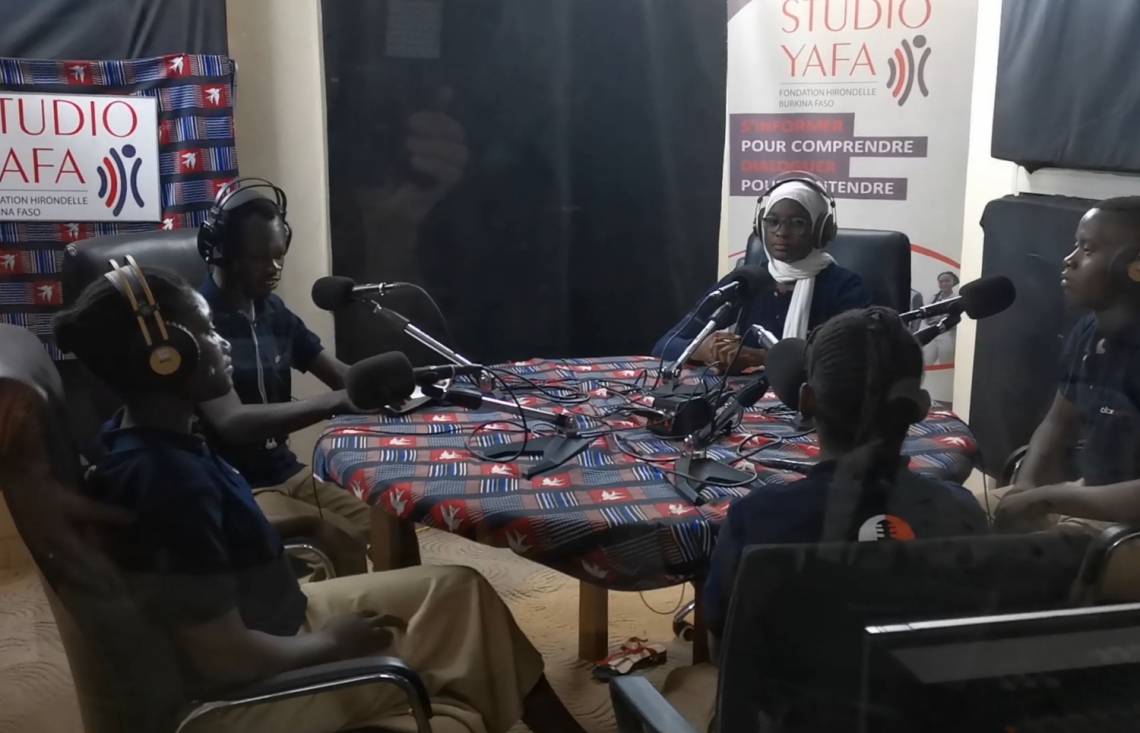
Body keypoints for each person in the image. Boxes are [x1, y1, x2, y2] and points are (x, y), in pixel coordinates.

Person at [52, 265, 587, 733]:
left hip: (277, 622)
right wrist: (332, 645)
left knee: (459, 591)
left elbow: (200, 548)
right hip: (247, 695)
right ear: (166, 358)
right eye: (208, 332)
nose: (221, 344)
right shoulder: (167, 482)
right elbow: (223, 658)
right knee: (470, 648)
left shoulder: (142, 441)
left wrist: (304, 527)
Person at [662, 308, 988, 731]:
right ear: (921, 408)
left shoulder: (756, 521)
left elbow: (725, 649)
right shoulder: (962, 513)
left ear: (806, 400)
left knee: (683, 679)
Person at [196, 180, 372, 574]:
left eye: (279, 255)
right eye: (260, 257)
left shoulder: (273, 311)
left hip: (285, 470)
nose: (274, 268)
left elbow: (340, 375)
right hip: (234, 483)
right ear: (221, 251)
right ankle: (336, 627)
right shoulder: (196, 322)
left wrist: (391, 379)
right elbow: (233, 422)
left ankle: (399, 624)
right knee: (332, 544)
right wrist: (333, 404)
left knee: (383, 526)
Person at [996, 197, 1140, 531]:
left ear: (1133, 267)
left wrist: (1048, 500)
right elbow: (1057, 422)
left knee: (1018, 558)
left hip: (1129, 524)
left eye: (1087, 250)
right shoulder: (1090, 330)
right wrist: (1027, 487)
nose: (1068, 260)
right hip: (1089, 496)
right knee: (961, 519)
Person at [652, 175, 870, 373]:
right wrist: (705, 349)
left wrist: (761, 357)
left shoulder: (844, 287)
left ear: (821, 230)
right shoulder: (745, 281)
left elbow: (855, 360)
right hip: (741, 404)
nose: (781, 233)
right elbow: (665, 345)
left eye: (798, 224)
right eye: (772, 222)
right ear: (759, 226)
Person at [922, 271, 960, 364]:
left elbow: (953, 319)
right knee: (927, 362)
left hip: (948, 334)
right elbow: (926, 317)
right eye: (941, 281)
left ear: (953, 282)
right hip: (932, 333)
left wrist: (939, 318)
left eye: (947, 281)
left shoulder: (957, 299)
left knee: (946, 362)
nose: (944, 283)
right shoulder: (933, 298)